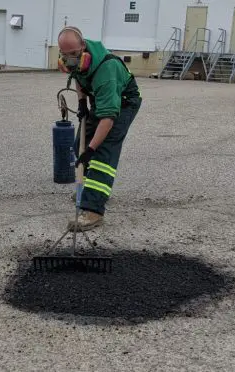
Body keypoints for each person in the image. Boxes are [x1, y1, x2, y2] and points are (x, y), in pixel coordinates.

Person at [56, 26, 142, 231]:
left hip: (122, 103)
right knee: (79, 146)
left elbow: (108, 119)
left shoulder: (106, 70)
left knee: (102, 154)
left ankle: (93, 210)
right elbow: (78, 76)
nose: (70, 60)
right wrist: (82, 103)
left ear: (83, 47)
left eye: (74, 54)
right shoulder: (75, 61)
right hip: (99, 100)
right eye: (65, 56)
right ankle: (86, 191)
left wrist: (92, 149)